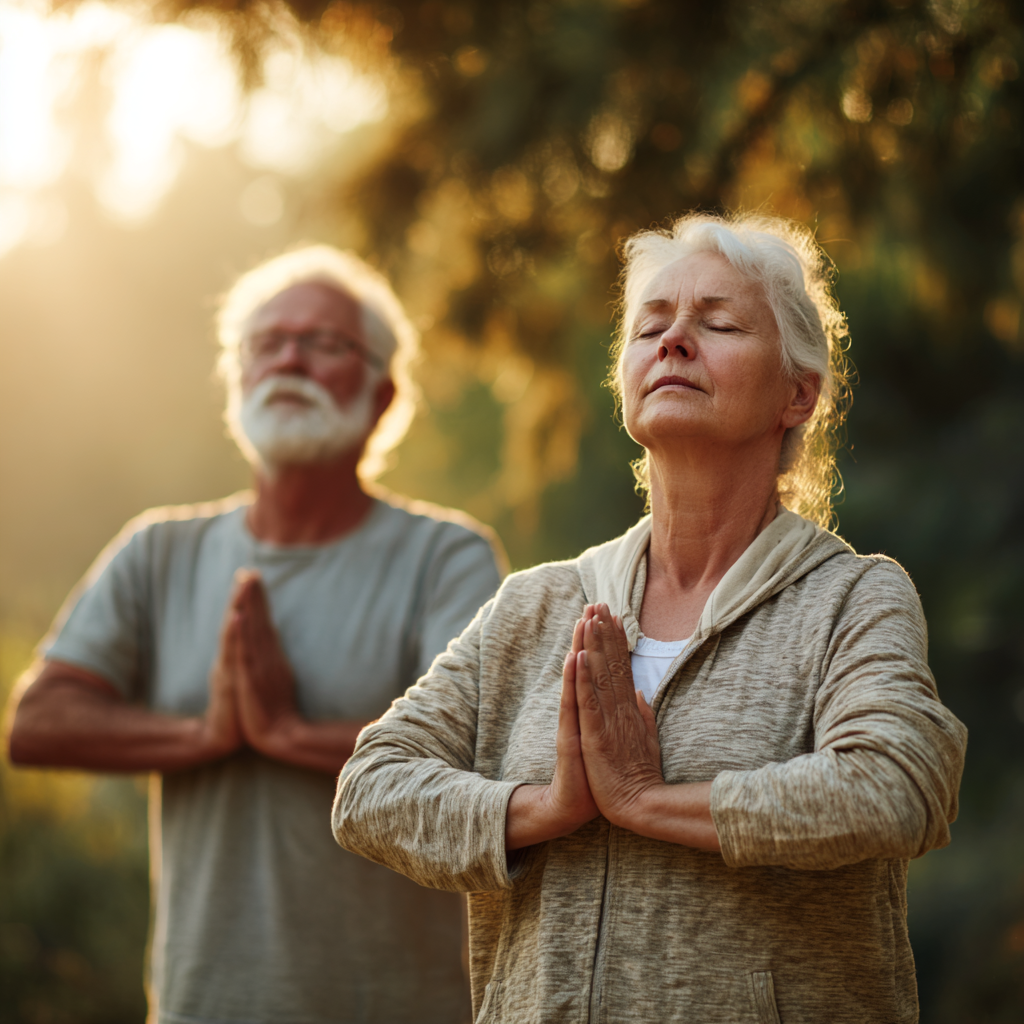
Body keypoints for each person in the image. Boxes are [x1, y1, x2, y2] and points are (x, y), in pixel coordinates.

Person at [332, 213, 968, 1024]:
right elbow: (370, 788)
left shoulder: (851, 599)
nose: (673, 342)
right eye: (651, 327)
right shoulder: (536, 605)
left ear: (797, 393)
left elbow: (897, 785)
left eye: (720, 323)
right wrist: (545, 810)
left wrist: (644, 801)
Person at [6, 246, 504, 1024]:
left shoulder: (446, 556)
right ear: (236, 381)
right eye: (265, 343)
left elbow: (479, 752)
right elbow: (36, 724)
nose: (290, 358)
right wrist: (206, 734)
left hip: (404, 1006)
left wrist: (285, 731)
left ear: (382, 396)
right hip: (206, 1005)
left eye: (324, 342)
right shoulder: (158, 551)